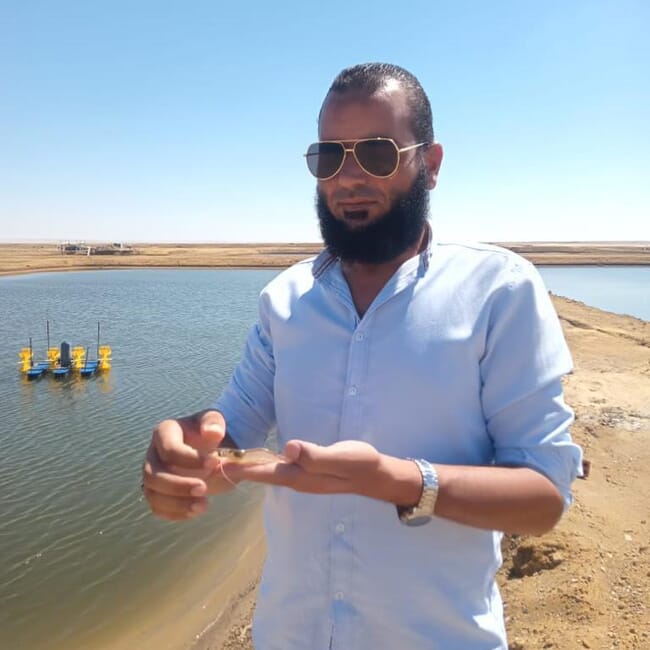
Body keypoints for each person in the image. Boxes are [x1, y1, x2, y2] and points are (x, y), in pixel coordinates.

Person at [142, 62, 583, 649]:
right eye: (329, 156)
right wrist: (186, 460)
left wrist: (398, 481)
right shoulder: (286, 299)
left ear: (430, 164)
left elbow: (543, 498)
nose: (347, 177)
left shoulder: (499, 291)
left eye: (375, 153)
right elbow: (229, 442)